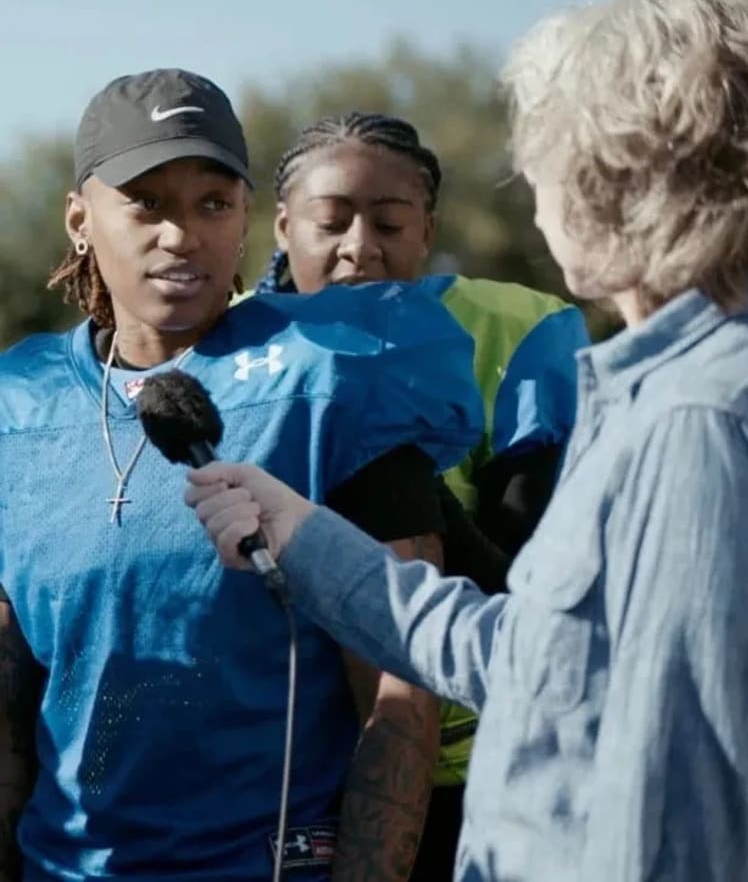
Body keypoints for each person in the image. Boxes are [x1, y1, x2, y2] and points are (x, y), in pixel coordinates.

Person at [187, 0, 748, 882]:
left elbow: (674, 807)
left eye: (538, 161)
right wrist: (307, 538)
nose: (533, 196)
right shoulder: (675, 392)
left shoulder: (698, 421)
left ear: (613, 177)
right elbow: (538, 660)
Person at [0, 68, 484, 882]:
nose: (181, 234)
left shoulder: (336, 373)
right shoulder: (21, 403)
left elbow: (401, 692)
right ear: (81, 220)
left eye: (211, 204)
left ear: (247, 219)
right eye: (146, 203)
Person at [255, 111, 590, 877]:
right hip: (286, 765)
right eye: (331, 221)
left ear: (429, 229)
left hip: (483, 767)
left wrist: (403, 487)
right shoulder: (232, 344)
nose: (360, 247)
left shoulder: (518, 332)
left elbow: (542, 590)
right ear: (281, 226)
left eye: (391, 222)